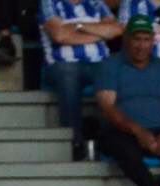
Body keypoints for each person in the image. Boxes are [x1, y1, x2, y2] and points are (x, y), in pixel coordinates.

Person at [39, 0, 121, 160]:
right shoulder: (49, 2)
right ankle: (75, 142)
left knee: (113, 71)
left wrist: (78, 26)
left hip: (99, 63)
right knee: (68, 72)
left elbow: (115, 30)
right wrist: (99, 33)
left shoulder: (96, 2)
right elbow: (59, 36)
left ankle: (112, 142)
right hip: (61, 64)